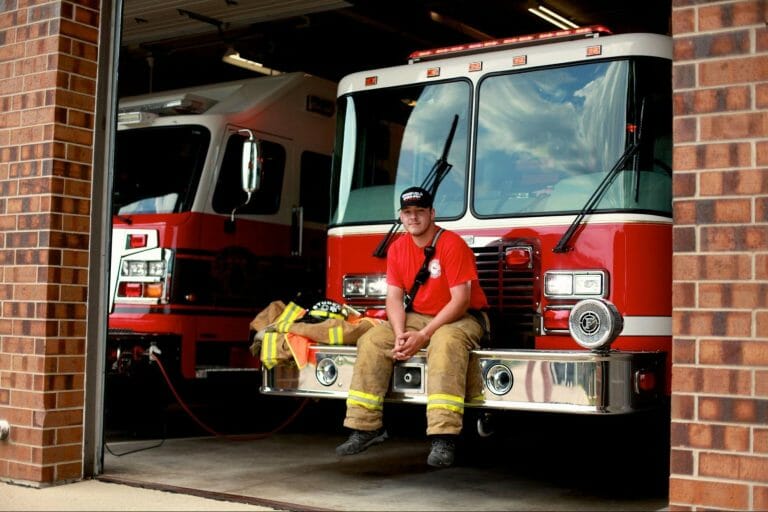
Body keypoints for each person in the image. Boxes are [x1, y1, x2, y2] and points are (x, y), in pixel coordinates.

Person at [335, 186, 488, 468]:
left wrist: (424, 335)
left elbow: (461, 301)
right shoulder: (397, 248)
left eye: (420, 212)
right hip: (417, 316)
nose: (413, 218)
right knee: (371, 340)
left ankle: (444, 437)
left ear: (432, 214)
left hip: (460, 317)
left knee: (445, 344)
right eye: (407, 212)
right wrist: (399, 333)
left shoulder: (453, 245)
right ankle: (365, 427)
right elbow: (393, 296)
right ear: (401, 217)